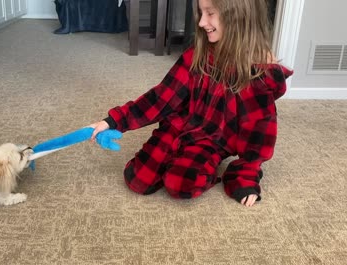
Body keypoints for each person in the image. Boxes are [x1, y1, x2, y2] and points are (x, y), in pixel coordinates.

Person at [89, 0, 293, 207]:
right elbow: (161, 98)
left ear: (237, 16)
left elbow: (257, 134)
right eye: (200, 12)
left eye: (210, 13)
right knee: (137, 179)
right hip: (179, 126)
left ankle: (208, 167)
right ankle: (176, 157)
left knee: (181, 185)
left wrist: (246, 176)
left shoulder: (257, 76)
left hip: (213, 139)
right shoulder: (195, 56)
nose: (202, 22)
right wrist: (114, 121)